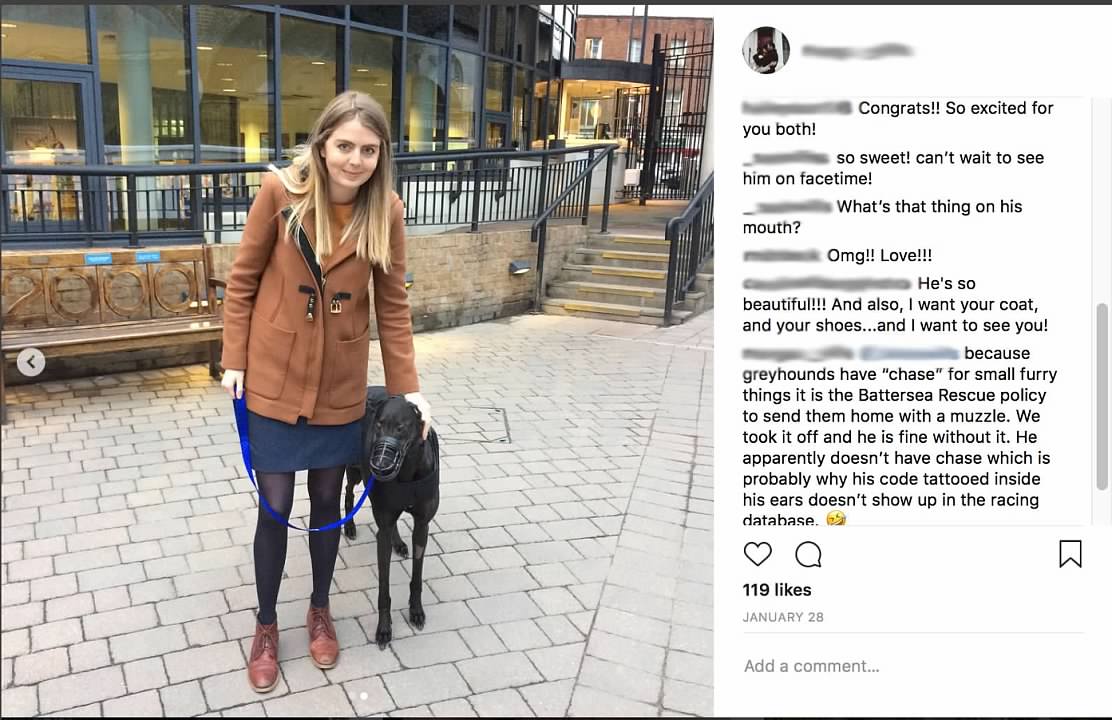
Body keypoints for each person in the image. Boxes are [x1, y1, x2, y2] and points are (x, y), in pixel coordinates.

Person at [218, 91, 432, 693]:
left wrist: (409, 391)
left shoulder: (386, 210)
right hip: (274, 377)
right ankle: (265, 625)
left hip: (340, 383)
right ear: (322, 144)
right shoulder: (279, 193)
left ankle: (319, 608)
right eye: (344, 146)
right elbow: (242, 282)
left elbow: (393, 307)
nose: (355, 160)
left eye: (369, 150)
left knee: (327, 505)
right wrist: (233, 359)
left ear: (381, 155)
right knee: (274, 507)